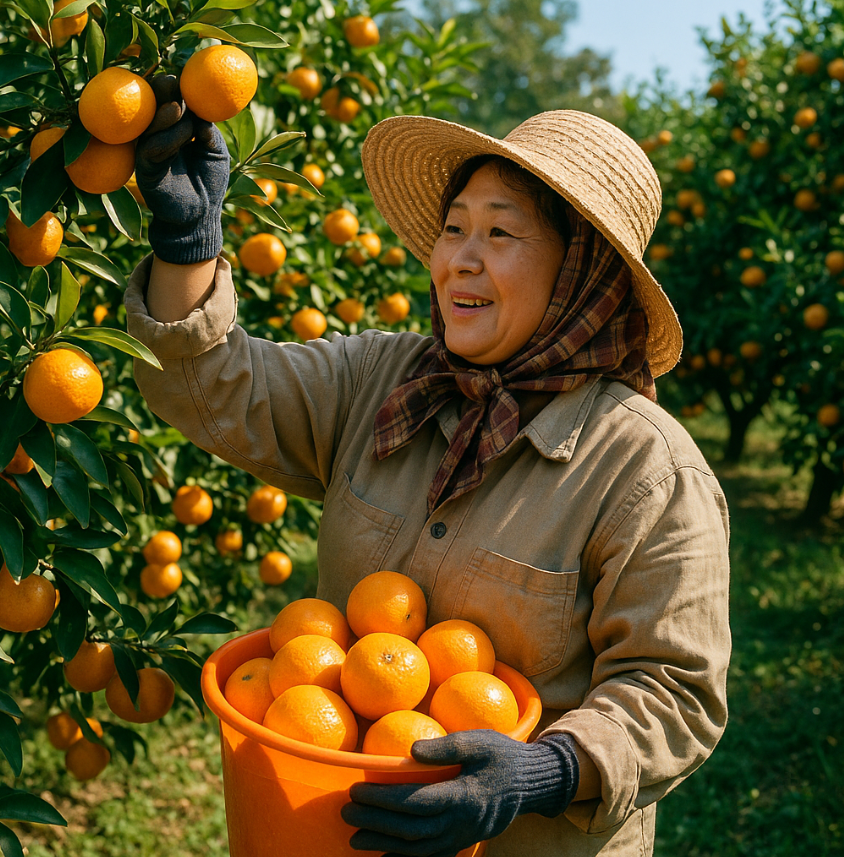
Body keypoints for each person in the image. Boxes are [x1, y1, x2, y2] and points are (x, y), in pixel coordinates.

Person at [125, 82, 731, 857]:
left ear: (582, 272)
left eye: (500, 234)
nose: (459, 260)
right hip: (333, 828)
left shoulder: (645, 468)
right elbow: (212, 387)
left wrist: (546, 768)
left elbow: (675, 690)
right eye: (453, 228)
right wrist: (190, 245)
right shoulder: (382, 381)